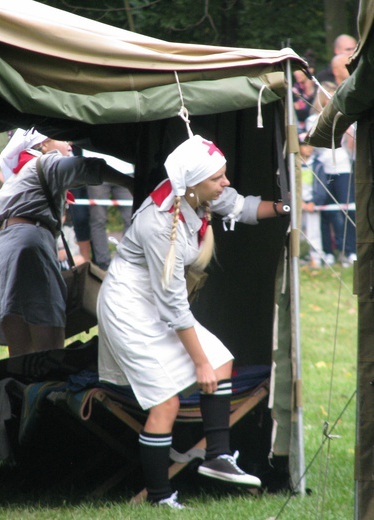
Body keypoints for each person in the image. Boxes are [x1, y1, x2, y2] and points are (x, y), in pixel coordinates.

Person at [97, 134, 290, 509]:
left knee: (223, 361)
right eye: (218, 178)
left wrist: (286, 210)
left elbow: (242, 207)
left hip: (158, 300)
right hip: (129, 307)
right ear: (195, 183)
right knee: (165, 402)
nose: (226, 183)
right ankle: (159, 497)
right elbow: (172, 305)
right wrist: (198, 362)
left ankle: (218, 456)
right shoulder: (158, 222)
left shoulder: (199, 195)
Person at [0, 130, 133, 357]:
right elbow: (88, 167)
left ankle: (24, 387)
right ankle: (48, 385)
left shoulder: (15, 180)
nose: (70, 142)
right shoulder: (47, 163)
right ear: (44, 145)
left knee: (20, 350)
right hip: (28, 245)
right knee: (49, 337)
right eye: (62, 138)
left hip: (1, 254)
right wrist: (129, 181)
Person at [306, 82, 356, 267]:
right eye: (327, 95)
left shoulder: (348, 117)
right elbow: (315, 147)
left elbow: (351, 148)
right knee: (324, 212)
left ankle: (350, 251)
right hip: (323, 170)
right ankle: (327, 251)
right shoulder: (314, 120)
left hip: (344, 168)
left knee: (348, 210)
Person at [84, 149, 133, 270]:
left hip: (125, 169)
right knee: (98, 220)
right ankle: (103, 266)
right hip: (95, 169)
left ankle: (128, 260)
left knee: (132, 219)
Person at [299, 134, 323, 268]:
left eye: (310, 146)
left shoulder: (317, 165)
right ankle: (302, 257)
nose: (308, 149)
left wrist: (314, 202)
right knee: (299, 232)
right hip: (298, 203)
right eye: (304, 145)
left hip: (311, 204)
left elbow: (321, 186)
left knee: (313, 233)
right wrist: (299, 202)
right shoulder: (293, 164)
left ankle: (316, 259)